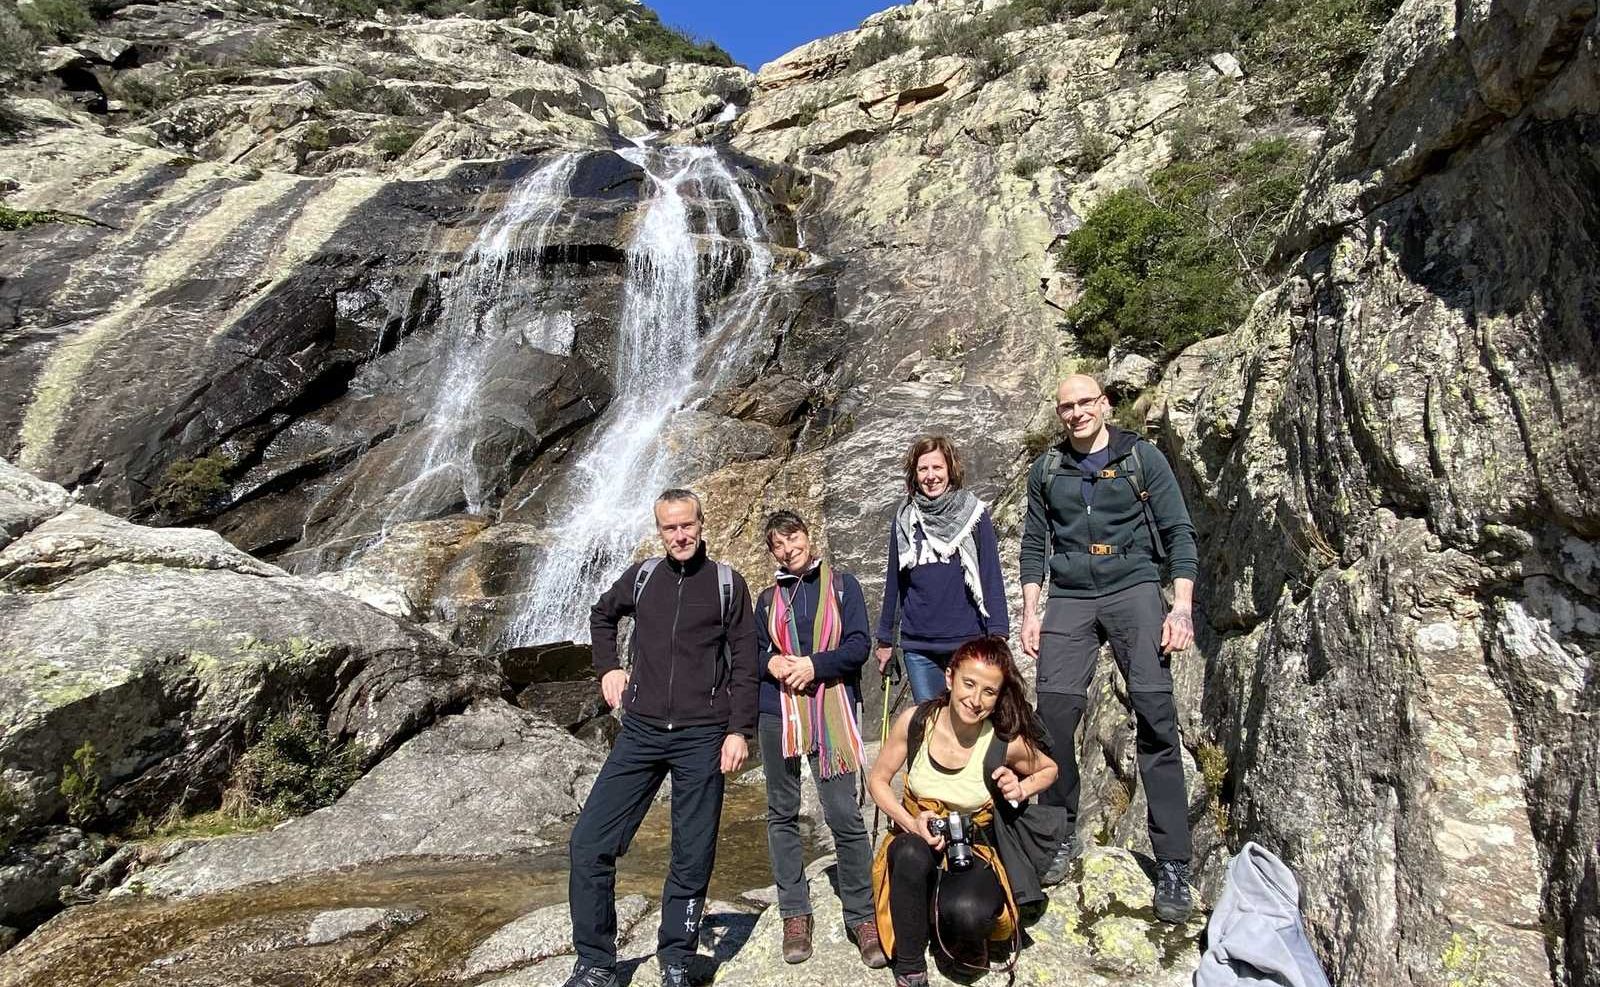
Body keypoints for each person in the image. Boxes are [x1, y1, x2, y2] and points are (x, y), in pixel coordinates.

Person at [1018, 374, 1201, 923]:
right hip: (1070, 596)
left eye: (1084, 403)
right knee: (1051, 715)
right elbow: (1033, 544)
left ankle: (1172, 861)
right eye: (1066, 407)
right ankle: (1057, 834)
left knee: (1155, 714)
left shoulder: (1142, 458)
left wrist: (1182, 606)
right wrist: (1031, 612)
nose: (1076, 413)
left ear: (1104, 404)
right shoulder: (1047, 470)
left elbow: (1179, 534)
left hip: (1135, 588)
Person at [565, 488, 759, 987]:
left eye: (687, 525)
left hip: (702, 735)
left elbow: (746, 663)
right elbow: (601, 614)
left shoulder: (726, 584)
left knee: (691, 854)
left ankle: (676, 958)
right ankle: (595, 962)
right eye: (670, 528)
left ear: (701, 523)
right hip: (641, 731)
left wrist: (740, 730)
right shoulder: (642, 576)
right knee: (589, 844)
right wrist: (608, 668)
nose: (680, 535)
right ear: (659, 531)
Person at [867, 636, 1060, 987]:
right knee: (910, 852)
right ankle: (910, 966)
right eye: (968, 684)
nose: (975, 700)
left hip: (972, 847)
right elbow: (878, 780)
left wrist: (1021, 788)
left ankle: (947, 921)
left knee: (967, 914)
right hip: (916, 838)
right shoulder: (916, 722)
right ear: (949, 677)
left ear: (999, 695)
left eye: (989, 691)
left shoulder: (1002, 742)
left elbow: (1048, 769)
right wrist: (910, 821)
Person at [753, 509, 888, 969]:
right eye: (778, 545)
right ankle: (795, 912)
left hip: (831, 710)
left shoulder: (844, 586)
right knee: (782, 812)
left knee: (844, 813)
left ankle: (862, 915)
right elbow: (753, 649)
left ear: (808, 536)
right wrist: (771, 663)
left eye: (793, 538)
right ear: (772, 552)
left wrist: (813, 666)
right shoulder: (767, 598)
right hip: (778, 714)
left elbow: (857, 646)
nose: (788, 549)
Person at [875, 435, 1010, 703]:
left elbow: (990, 574)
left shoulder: (974, 514)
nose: (931, 476)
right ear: (914, 474)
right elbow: (895, 583)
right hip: (919, 647)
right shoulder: (905, 518)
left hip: (968, 641)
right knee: (931, 726)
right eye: (923, 469)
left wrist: (998, 632)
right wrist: (885, 640)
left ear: (950, 469)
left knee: (970, 722)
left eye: (937, 467)